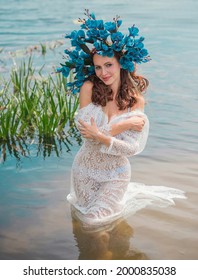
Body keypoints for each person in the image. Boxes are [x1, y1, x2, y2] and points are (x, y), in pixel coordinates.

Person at [58, 10, 186, 228]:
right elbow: (88, 136)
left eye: (108, 65)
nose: (103, 72)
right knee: (94, 229)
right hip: (84, 170)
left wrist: (101, 135)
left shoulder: (136, 101)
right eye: (98, 67)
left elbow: (131, 149)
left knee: (91, 222)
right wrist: (122, 125)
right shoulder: (88, 88)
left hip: (116, 173)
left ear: (121, 64)